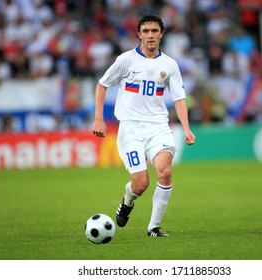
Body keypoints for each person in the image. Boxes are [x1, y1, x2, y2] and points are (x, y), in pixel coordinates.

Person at [91, 14, 196, 237]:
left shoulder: (169, 65)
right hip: (130, 128)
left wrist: (186, 128)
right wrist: (99, 118)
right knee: (140, 184)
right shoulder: (126, 60)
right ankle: (128, 200)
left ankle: (153, 228)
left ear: (161, 34)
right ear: (139, 34)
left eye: (154, 31)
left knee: (165, 172)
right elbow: (102, 85)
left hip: (158, 126)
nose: (150, 35)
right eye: (146, 31)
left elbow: (179, 99)